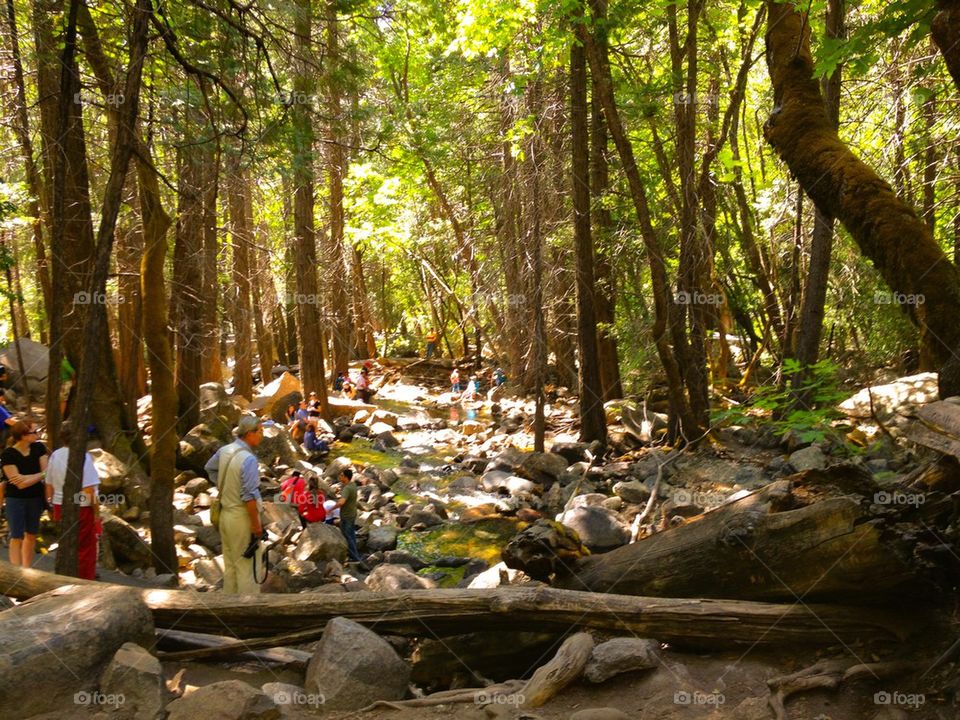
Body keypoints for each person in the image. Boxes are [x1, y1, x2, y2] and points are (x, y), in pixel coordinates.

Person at [205, 415, 264, 594]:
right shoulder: (249, 460)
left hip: (225, 515)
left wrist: (224, 485)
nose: (262, 435)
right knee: (247, 567)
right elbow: (249, 497)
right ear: (250, 433)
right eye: (260, 431)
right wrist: (256, 525)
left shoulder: (225, 450)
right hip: (241, 517)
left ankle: (229, 609)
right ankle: (249, 612)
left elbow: (209, 468)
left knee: (230, 566)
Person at [45, 423, 101, 580]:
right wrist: (96, 513)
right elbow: (89, 489)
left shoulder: (55, 455)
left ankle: (66, 576)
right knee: (85, 548)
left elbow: (48, 484)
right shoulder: (83, 457)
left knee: (67, 544)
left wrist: (50, 505)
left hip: (59, 504)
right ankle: (84, 580)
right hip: (81, 506)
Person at [0, 421, 49, 568]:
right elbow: (18, 484)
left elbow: (46, 473)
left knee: (31, 534)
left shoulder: (39, 448)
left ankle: (27, 569)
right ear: (23, 436)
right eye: (35, 432)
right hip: (15, 499)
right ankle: (16, 570)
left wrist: (27, 477)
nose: (38, 434)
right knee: (16, 536)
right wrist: (38, 475)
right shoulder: (9, 454)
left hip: (35, 498)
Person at [335, 467, 362, 563]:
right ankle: (355, 554)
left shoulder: (346, 488)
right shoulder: (352, 485)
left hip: (346, 516)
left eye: (341, 475)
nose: (340, 477)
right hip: (352, 514)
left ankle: (354, 557)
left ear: (346, 477)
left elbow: (341, 502)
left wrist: (331, 509)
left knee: (347, 535)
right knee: (351, 535)